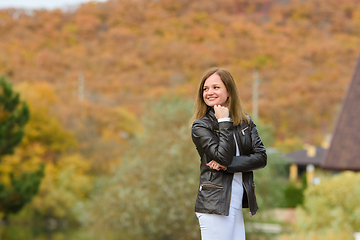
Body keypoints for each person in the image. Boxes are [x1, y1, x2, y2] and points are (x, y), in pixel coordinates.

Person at [191, 67, 267, 240]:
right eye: (205, 88)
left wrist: (227, 166)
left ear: (229, 91)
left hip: (235, 203)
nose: (209, 92)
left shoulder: (245, 122)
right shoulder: (201, 127)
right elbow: (222, 156)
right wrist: (224, 121)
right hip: (214, 204)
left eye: (216, 87)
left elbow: (261, 158)